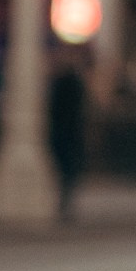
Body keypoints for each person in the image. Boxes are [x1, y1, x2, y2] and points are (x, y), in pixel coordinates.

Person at [46, 48, 90, 220]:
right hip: (67, 134)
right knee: (67, 172)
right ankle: (64, 203)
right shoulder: (69, 82)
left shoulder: (65, 82)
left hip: (66, 134)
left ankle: (64, 203)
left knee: (67, 172)